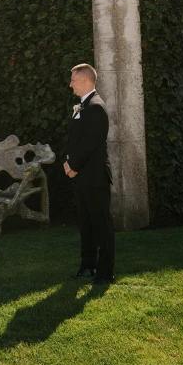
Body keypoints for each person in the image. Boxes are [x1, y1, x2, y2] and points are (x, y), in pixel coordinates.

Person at [63, 63, 115, 284]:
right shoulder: (81, 106)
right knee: (85, 224)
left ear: (85, 80)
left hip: (94, 177)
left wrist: (72, 165)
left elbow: (90, 144)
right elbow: (76, 140)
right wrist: (68, 160)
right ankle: (87, 267)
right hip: (81, 176)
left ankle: (105, 274)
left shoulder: (96, 107)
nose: (70, 84)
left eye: (73, 80)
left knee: (101, 225)